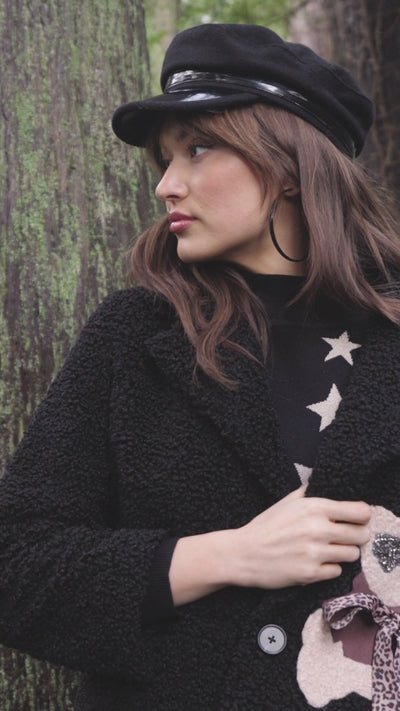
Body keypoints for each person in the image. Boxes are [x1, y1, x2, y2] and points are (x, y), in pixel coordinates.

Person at [0, 22, 399, 711]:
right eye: (164, 158)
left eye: (197, 149)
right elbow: (15, 564)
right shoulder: (136, 336)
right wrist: (225, 556)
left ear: (288, 165)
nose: (166, 185)